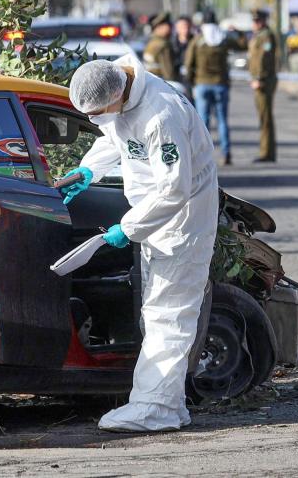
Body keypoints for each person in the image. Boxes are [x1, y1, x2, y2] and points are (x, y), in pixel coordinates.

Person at [60, 54, 218, 432]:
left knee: (169, 313)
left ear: (118, 93)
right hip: (156, 221)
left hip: (181, 221)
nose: (98, 119)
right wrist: (88, 168)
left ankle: (154, 408)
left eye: (100, 111)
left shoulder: (161, 115)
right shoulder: (121, 89)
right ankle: (171, 404)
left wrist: (127, 227)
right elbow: (116, 135)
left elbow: (174, 190)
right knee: (158, 310)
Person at [185, 10, 234, 165]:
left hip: (202, 85)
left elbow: (188, 64)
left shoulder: (198, 41)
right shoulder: (223, 40)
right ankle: (226, 153)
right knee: (222, 120)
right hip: (220, 85)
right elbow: (240, 45)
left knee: (203, 122)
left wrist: (191, 81)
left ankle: (202, 155)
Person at [249, 8, 278, 162]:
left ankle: (267, 153)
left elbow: (264, 58)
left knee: (265, 117)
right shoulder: (259, 35)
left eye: (257, 20)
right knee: (263, 117)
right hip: (261, 80)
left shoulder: (266, 36)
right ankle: (266, 151)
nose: (255, 23)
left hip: (264, 81)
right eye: (254, 21)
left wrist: (258, 78)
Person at [143, 12, 177, 81]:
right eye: (167, 26)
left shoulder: (151, 43)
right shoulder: (163, 45)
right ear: (158, 28)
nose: (170, 28)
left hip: (150, 82)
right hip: (162, 82)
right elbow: (168, 72)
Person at [172, 15, 194, 79]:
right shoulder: (171, 43)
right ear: (177, 28)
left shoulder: (195, 42)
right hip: (176, 76)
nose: (185, 29)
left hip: (191, 77)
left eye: (187, 26)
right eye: (182, 27)